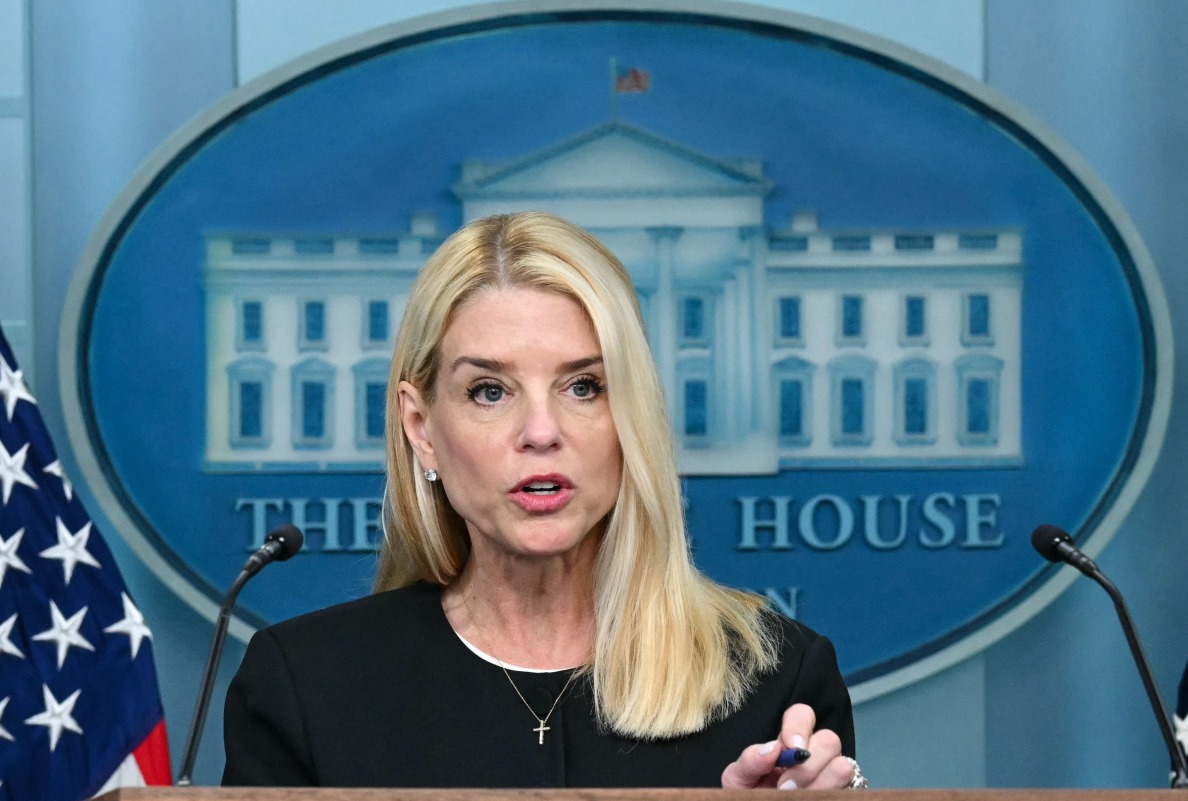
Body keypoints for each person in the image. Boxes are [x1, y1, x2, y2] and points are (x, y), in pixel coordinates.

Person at [222, 211, 864, 789]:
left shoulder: (777, 681)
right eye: (489, 391)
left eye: (583, 386)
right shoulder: (305, 684)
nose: (541, 431)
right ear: (422, 429)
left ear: (632, 415)